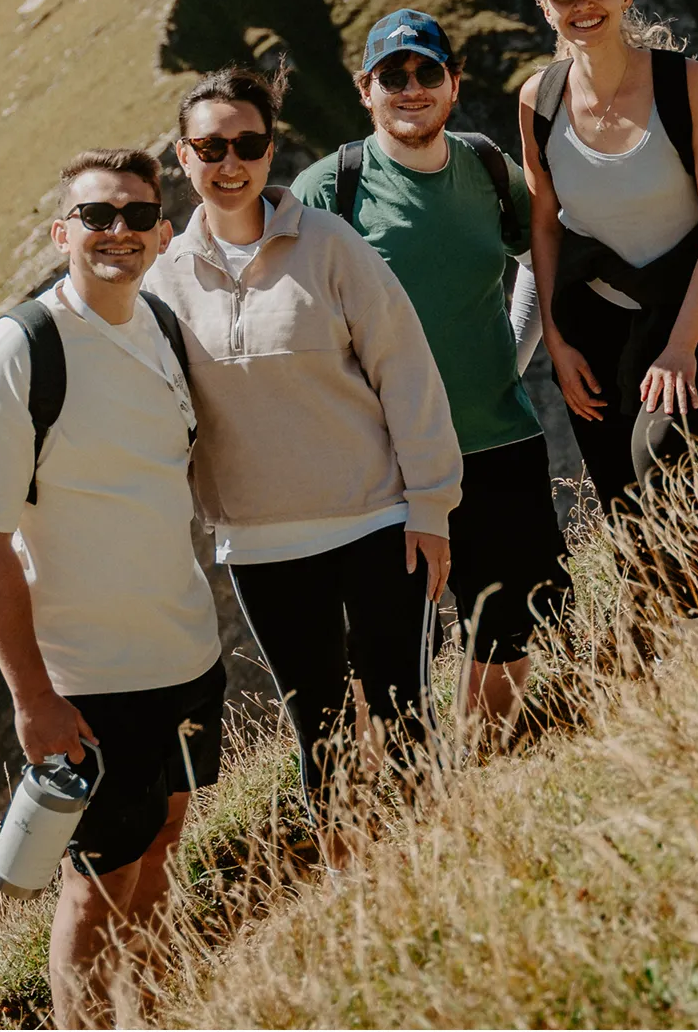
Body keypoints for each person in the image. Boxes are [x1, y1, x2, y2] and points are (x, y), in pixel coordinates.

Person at [0, 148, 223, 1029]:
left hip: (186, 653)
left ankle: (155, 1014)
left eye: (137, 216)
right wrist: (33, 698)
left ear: (163, 235)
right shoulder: (20, 351)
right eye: (97, 215)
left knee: (163, 845)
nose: (118, 231)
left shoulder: (162, 326)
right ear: (62, 233)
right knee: (96, 888)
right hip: (89, 684)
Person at [144, 64, 462, 854]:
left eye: (247, 144)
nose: (230, 162)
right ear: (183, 156)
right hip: (259, 543)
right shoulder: (162, 280)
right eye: (210, 147)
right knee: (317, 726)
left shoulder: (330, 244)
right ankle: (354, 884)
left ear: (270, 149)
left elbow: (406, 369)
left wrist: (431, 505)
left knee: (403, 709)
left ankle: (441, 862)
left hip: (376, 523)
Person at [293, 8, 571, 749]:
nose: (410, 88)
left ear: (454, 83)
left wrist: (513, 354)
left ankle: (481, 771)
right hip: (382, 465)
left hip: (497, 441)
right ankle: (404, 789)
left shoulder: (486, 168)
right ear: (366, 90)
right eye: (393, 76)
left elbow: (543, 252)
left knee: (509, 626)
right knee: (387, 650)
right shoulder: (328, 190)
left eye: (426, 72)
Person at [517, 0, 698, 633]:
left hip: (687, 314)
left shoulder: (686, 84)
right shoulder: (539, 98)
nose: (583, 5)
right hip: (593, 324)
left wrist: (680, 349)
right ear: (546, 11)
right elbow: (545, 227)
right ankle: (666, 638)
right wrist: (557, 344)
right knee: (622, 502)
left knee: (661, 466)